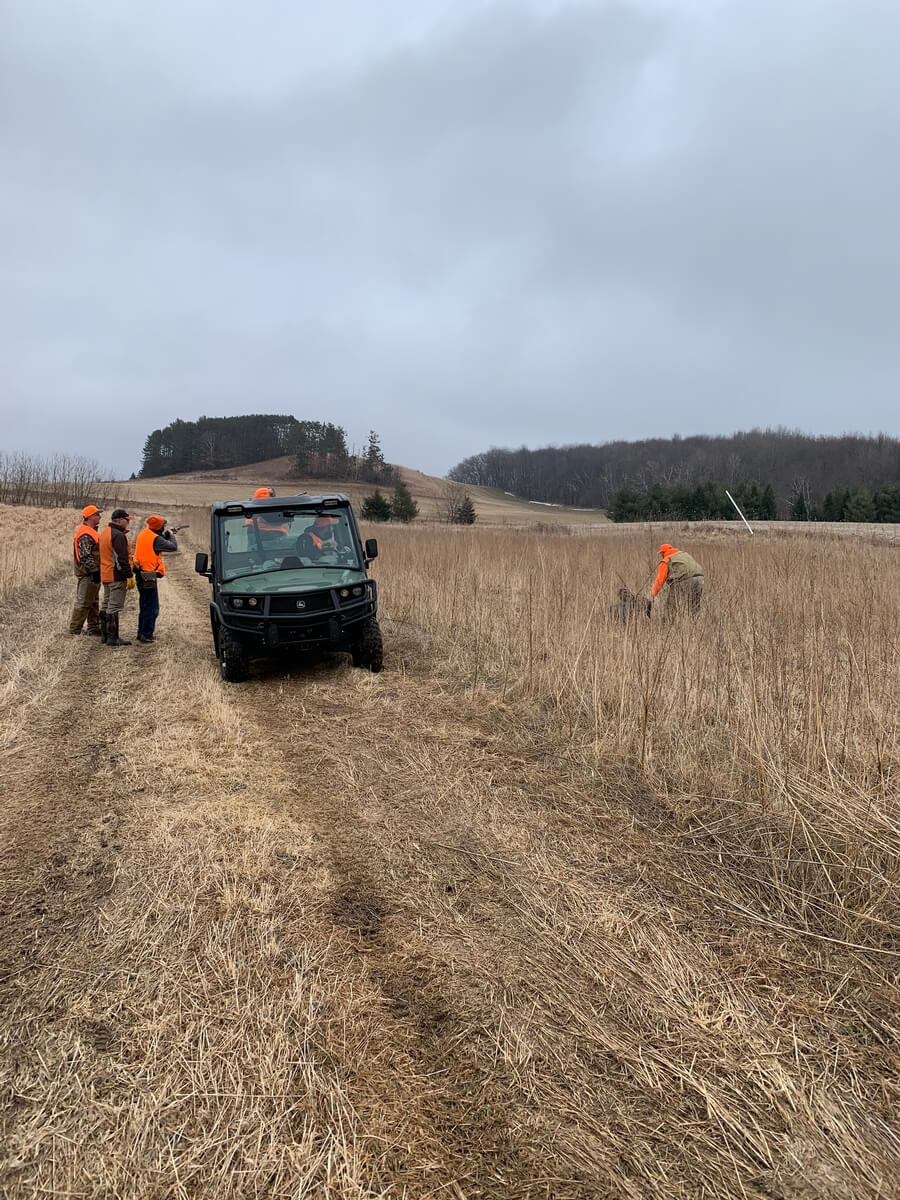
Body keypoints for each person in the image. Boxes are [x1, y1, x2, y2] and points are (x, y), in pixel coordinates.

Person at [132, 515, 179, 643]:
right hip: (148, 576)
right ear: (159, 527)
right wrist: (171, 535)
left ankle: (141, 632)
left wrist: (166, 535)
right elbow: (173, 547)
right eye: (163, 525)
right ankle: (146, 634)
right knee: (152, 608)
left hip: (140, 573)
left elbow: (157, 540)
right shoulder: (156, 539)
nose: (164, 526)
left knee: (144, 605)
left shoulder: (144, 533)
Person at [99, 509, 135, 646]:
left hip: (106, 574)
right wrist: (129, 575)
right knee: (113, 606)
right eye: (127, 520)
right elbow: (121, 559)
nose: (128, 522)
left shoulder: (105, 532)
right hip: (116, 576)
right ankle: (113, 638)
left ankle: (104, 636)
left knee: (106, 604)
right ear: (119, 520)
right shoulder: (118, 535)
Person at [69, 504, 103, 636]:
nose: (100, 516)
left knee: (93, 601)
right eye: (97, 514)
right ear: (90, 517)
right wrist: (94, 571)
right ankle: (75, 630)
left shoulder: (91, 531)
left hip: (92, 573)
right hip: (88, 574)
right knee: (83, 602)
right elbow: (85, 555)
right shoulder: (85, 534)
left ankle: (94, 628)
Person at [650, 543, 705, 616]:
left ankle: (667, 621)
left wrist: (653, 594)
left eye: (661, 553)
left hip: (685, 579)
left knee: (671, 605)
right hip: (700, 578)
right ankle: (696, 621)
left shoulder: (666, 560)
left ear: (663, 553)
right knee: (695, 605)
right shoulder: (684, 554)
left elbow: (660, 580)